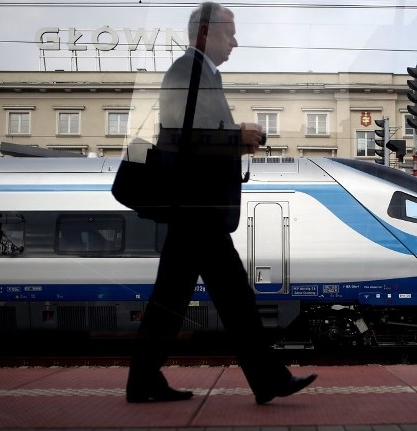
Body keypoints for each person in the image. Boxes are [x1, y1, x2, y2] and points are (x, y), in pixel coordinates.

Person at [126, 1, 317, 404]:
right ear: (204, 32)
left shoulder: (201, 74)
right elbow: (179, 138)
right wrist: (237, 138)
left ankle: (144, 379)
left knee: (178, 300)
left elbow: (197, 134)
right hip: (198, 209)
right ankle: (268, 379)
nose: (235, 40)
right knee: (232, 300)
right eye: (229, 31)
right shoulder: (187, 71)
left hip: (198, 210)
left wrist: (235, 136)